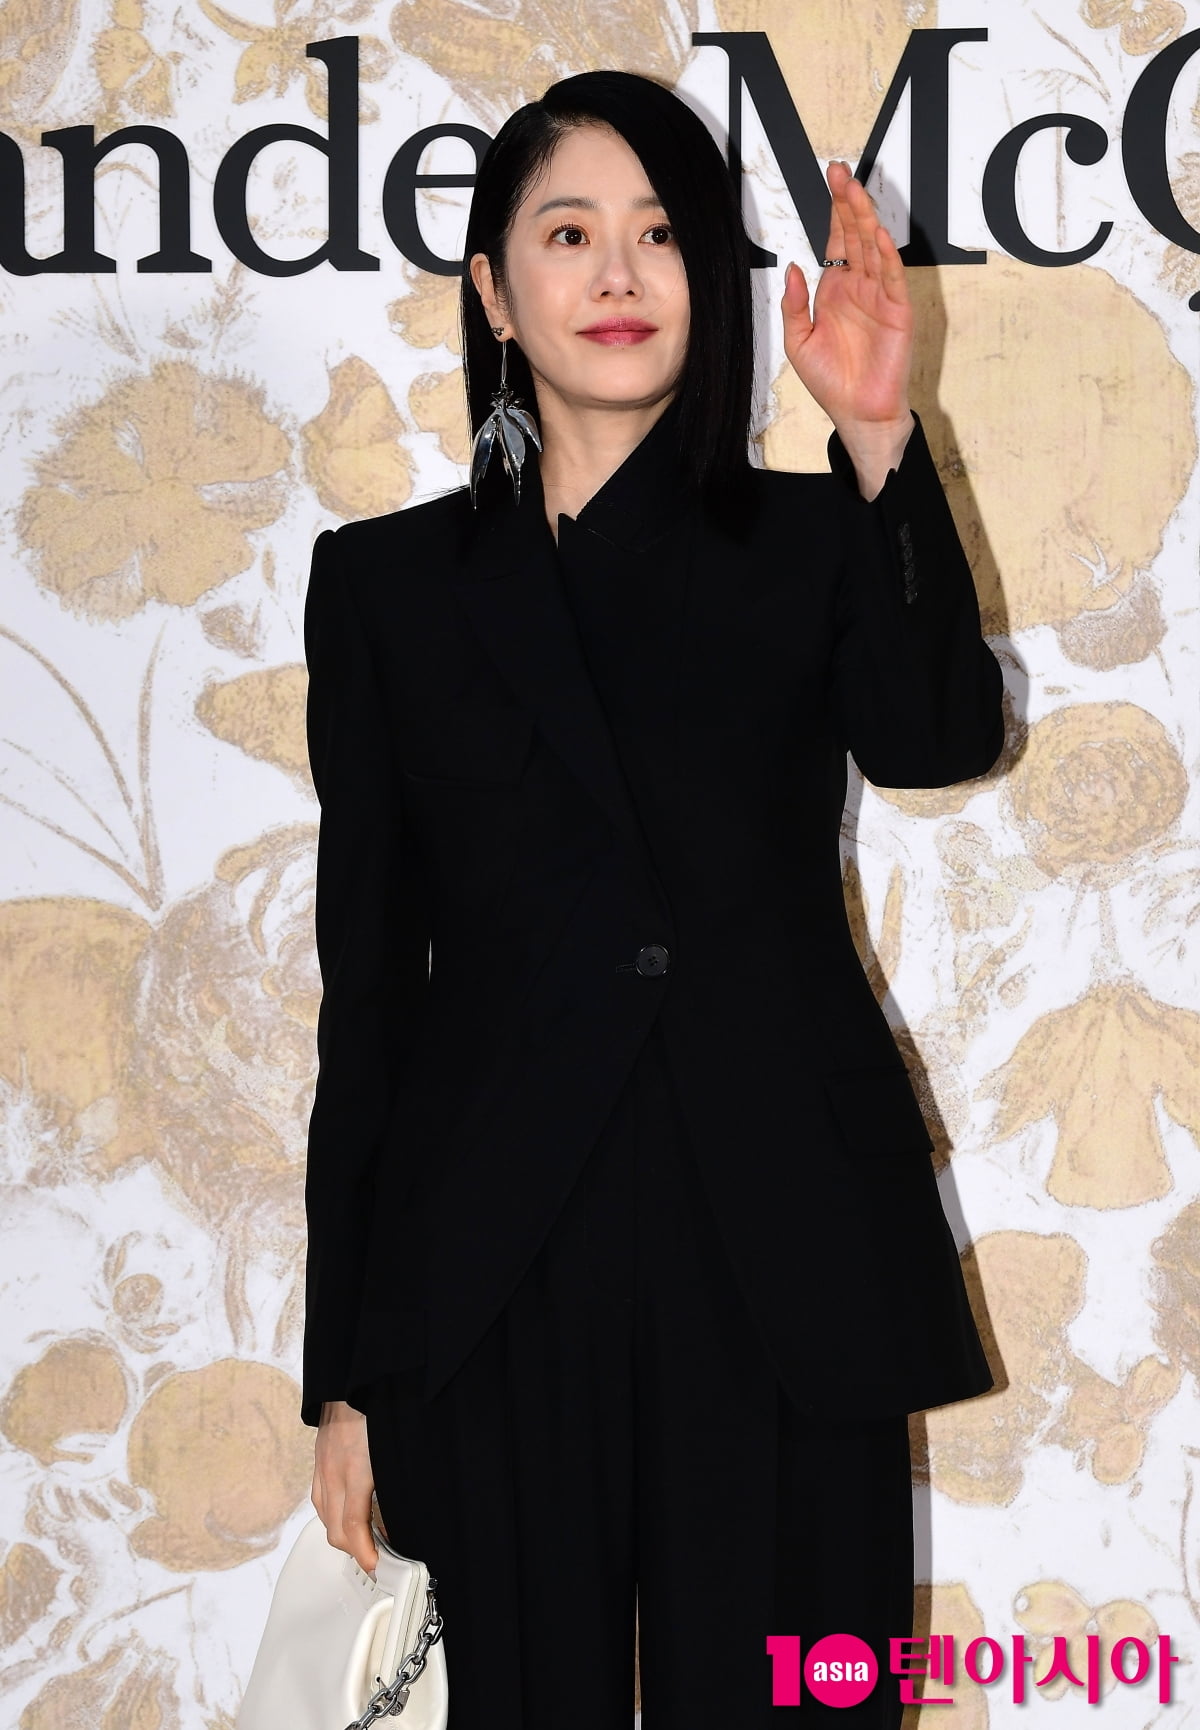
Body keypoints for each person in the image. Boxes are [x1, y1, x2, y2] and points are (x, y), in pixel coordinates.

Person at [301, 68, 1004, 1730]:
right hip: (494, 1269)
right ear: (493, 291)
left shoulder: (811, 537)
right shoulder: (388, 587)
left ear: (711, 276)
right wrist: (347, 1374)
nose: (619, 275)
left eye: (661, 234)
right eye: (568, 235)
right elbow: (371, 994)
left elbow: (938, 737)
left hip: (778, 1237)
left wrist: (880, 433)